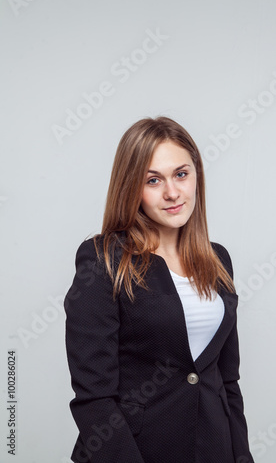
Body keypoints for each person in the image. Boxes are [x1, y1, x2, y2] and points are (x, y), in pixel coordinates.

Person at [64, 116, 254, 463]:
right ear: (131, 188)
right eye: (153, 180)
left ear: (196, 175)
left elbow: (227, 383)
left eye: (181, 174)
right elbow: (94, 399)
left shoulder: (218, 260)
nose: (172, 192)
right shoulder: (103, 260)